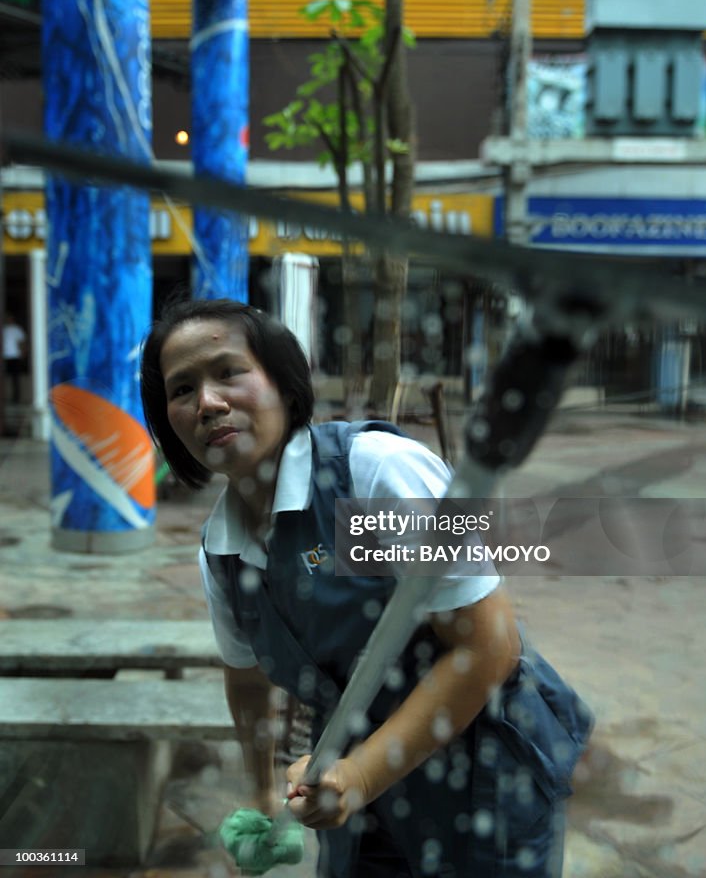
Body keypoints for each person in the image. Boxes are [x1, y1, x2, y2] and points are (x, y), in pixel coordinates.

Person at [140, 296, 593, 878]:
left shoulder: (374, 472)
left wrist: (359, 775)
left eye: (229, 372)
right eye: (181, 391)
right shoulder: (220, 550)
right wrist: (261, 793)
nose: (208, 402)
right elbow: (248, 679)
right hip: (354, 789)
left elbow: (489, 646)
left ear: (282, 381)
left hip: (483, 775)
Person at [3, 312, 27, 404]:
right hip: (5, 356)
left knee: (15, 378)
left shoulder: (17, 329)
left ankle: (16, 397)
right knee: (5, 378)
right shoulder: (4, 329)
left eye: (10, 318)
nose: (9, 320)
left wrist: (23, 353)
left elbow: (22, 342)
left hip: (15, 356)